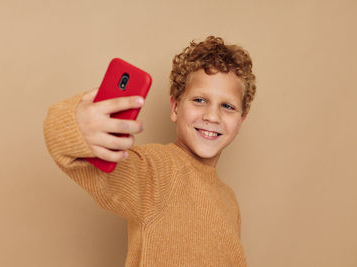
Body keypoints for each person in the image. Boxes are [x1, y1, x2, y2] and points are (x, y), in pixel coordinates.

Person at [43, 36, 256, 266]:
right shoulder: (157, 171)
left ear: (241, 120)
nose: (212, 116)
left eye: (227, 106)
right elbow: (86, 162)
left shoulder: (229, 200)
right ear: (175, 107)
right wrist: (74, 126)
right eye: (200, 100)